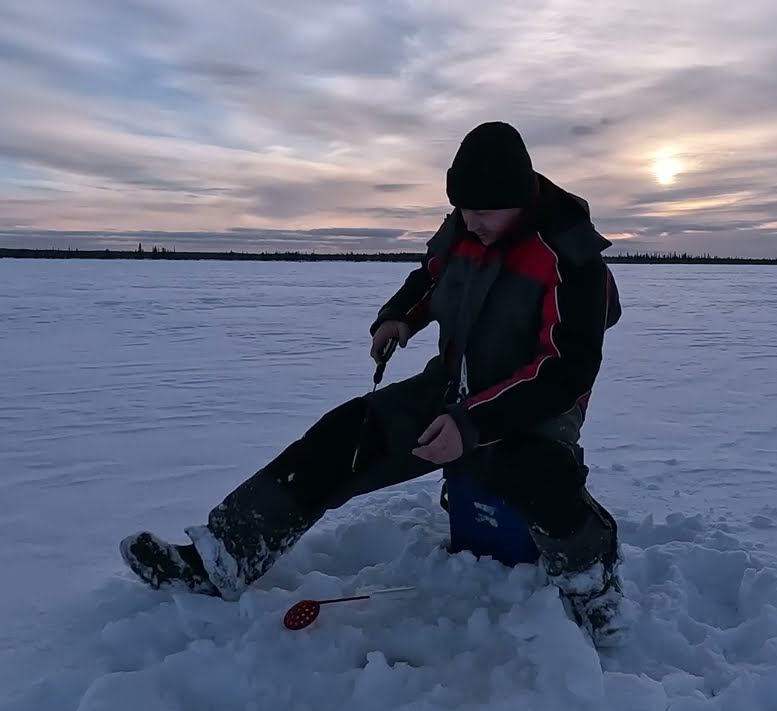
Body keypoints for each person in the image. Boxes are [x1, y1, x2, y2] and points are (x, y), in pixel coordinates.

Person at [120, 121, 630, 646]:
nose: (471, 221)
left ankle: (592, 582)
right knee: (344, 435)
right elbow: (431, 277)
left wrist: (472, 423)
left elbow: (567, 370)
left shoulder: (571, 257)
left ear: (522, 198)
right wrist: (400, 315)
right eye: (463, 208)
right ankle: (224, 554)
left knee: (537, 474)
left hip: (534, 407)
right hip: (449, 387)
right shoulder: (466, 228)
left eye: (484, 211)